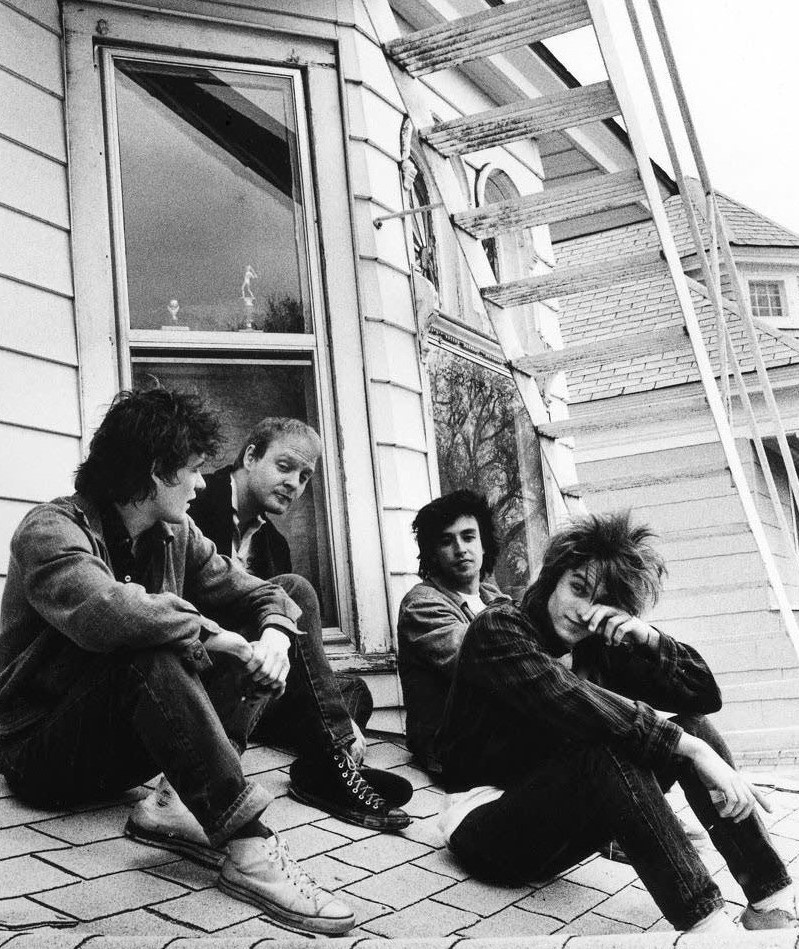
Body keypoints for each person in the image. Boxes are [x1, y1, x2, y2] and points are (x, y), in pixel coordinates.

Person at [0, 388, 355, 936]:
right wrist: (216, 635)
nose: (201, 483)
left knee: (252, 624)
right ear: (153, 472)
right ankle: (249, 847)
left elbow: (266, 592)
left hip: (118, 755)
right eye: (191, 469)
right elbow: (109, 615)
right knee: (155, 648)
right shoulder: (49, 531)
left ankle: (176, 805)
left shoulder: (174, 534)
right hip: (40, 753)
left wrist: (274, 637)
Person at [436, 510, 799, 933]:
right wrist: (694, 751)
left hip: (550, 823)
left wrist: (646, 638)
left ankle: (770, 903)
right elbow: (570, 699)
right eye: (578, 588)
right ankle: (707, 929)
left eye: (603, 602)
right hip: (485, 831)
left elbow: (704, 694)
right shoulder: (500, 629)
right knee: (619, 744)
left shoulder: (596, 646)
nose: (583, 611)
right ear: (553, 578)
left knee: (694, 726)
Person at [188, 417, 411, 831]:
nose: (294, 483)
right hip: (205, 672)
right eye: (285, 466)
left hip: (256, 683)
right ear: (250, 456)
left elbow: (289, 643)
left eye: (305, 476)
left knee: (354, 691)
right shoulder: (194, 501)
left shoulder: (274, 543)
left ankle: (317, 765)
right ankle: (333, 759)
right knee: (294, 590)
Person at [398, 490, 510, 773]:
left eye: (468, 537)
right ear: (433, 554)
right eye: (446, 541)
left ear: (484, 545)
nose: (460, 549)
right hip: (454, 748)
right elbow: (490, 664)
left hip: (502, 734)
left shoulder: (496, 600)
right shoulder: (422, 604)